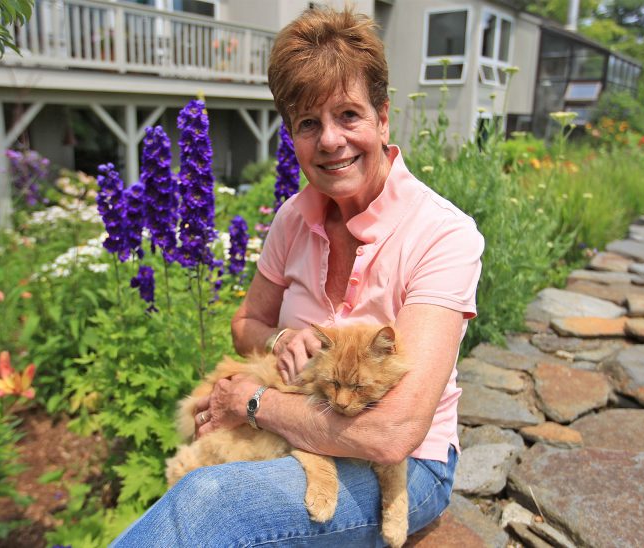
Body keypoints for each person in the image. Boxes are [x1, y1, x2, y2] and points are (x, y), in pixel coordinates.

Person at [112, 6, 483, 547]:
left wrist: (253, 405)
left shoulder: (441, 234)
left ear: (383, 117)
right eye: (309, 124)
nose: (330, 140)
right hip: (293, 441)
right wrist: (281, 338)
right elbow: (247, 323)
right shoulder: (293, 217)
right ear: (292, 136)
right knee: (197, 480)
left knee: (212, 505)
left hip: (405, 465)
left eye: (349, 115)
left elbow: (393, 431)